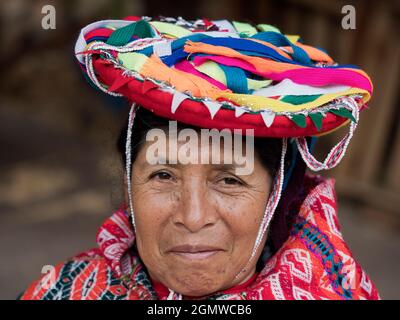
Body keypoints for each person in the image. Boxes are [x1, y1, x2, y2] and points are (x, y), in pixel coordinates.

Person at [20, 16, 379, 300]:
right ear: (129, 186)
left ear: (276, 197)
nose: (192, 218)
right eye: (163, 176)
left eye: (229, 180)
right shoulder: (62, 290)